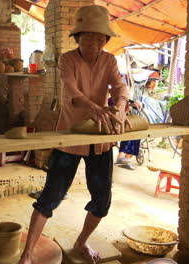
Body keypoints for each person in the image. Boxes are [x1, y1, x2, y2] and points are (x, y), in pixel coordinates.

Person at [18, 5, 130, 264]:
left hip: (100, 140)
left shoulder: (109, 60)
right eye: (89, 36)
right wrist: (95, 107)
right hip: (69, 138)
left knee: (102, 200)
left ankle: (81, 242)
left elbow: (119, 87)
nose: (95, 42)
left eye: (100, 37)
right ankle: (27, 255)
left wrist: (122, 108)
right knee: (50, 198)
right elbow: (70, 91)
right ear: (78, 37)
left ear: (106, 40)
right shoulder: (67, 59)